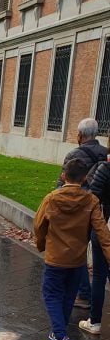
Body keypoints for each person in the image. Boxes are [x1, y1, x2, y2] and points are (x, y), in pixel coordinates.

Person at [34, 158, 110, 340]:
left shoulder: (51, 198)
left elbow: (39, 225)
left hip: (55, 257)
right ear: (85, 178)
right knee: (68, 296)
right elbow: (102, 233)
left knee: (51, 294)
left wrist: (41, 245)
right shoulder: (91, 201)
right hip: (77, 259)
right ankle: (58, 332)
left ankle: (60, 336)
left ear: (63, 175)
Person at [61, 119, 109, 310]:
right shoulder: (105, 153)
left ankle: (84, 293)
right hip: (100, 209)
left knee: (78, 250)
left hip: (79, 210)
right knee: (101, 247)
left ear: (80, 135)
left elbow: (63, 182)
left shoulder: (74, 154)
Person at [78, 155, 110, 335]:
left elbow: (92, 201)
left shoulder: (105, 169)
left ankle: (95, 322)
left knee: (99, 275)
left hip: (104, 227)